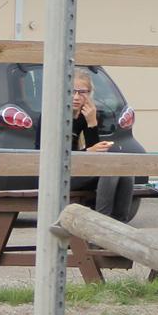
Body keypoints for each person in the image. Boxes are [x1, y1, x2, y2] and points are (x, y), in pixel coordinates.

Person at [40, 68, 136, 221]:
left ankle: (119, 223)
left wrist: (92, 122)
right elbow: (53, 155)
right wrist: (87, 152)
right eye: (72, 91)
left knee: (124, 171)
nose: (76, 97)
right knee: (109, 172)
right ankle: (101, 222)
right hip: (55, 175)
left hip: (76, 170)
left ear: (90, 94)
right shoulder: (52, 115)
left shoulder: (86, 115)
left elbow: (95, 158)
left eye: (82, 92)